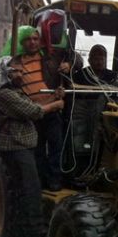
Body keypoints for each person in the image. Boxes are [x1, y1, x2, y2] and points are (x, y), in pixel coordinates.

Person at [0, 58, 65, 237]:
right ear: (5, 72)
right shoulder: (4, 95)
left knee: (29, 188)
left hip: (25, 147)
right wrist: (55, 106)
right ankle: (35, 234)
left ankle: (27, 230)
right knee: (30, 190)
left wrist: (54, 97)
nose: (20, 75)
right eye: (16, 71)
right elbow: (32, 112)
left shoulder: (16, 92)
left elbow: (35, 106)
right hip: (16, 148)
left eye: (22, 72)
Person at [10, 26, 81, 191]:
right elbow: (5, 78)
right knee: (38, 149)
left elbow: (77, 58)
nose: (32, 42)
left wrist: (69, 64)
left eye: (35, 39)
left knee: (56, 146)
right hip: (31, 112)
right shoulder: (15, 61)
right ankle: (41, 181)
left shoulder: (51, 56)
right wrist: (14, 76)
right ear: (23, 42)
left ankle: (55, 179)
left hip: (52, 108)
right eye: (28, 39)